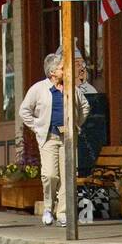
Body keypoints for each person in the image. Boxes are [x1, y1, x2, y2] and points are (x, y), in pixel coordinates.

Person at [18, 52, 90, 227]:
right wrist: (37, 126)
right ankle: (48, 207)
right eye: (61, 68)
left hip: (68, 137)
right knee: (50, 175)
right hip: (49, 137)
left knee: (67, 176)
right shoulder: (39, 89)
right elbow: (24, 110)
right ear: (52, 72)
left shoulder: (71, 88)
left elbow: (85, 106)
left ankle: (63, 212)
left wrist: (76, 124)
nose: (64, 71)